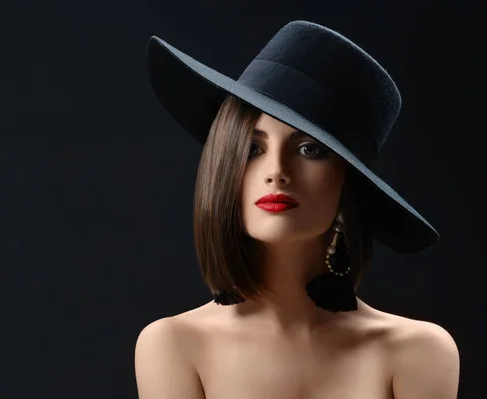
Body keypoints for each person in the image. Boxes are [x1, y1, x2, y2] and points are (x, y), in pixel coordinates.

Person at [135, 20, 460, 398]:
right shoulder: (174, 346)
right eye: (253, 149)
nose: (277, 173)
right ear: (223, 165)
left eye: (310, 150)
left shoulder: (419, 352)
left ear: (346, 184)